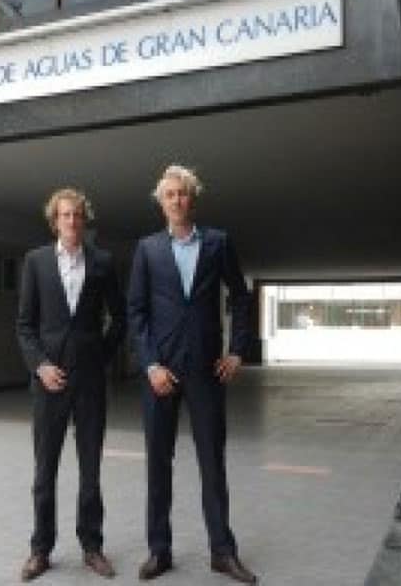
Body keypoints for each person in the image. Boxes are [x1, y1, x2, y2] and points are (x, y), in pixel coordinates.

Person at [127, 165, 258, 583]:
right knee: (157, 465)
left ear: (193, 199)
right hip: (161, 373)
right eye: (170, 194)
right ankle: (159, 551)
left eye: (183, 194)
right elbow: (136, 312)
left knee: (212, 463)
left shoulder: (218, 243)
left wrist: (238, 351)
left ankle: (223, 552)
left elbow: (240, 296)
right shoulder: (147, 249)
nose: (177, 201)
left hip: (205, 370)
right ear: (160, 201)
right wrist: (149, 364)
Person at [16, 188, 127, 582]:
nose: (72, 222)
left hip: (90, 383)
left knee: (91, 471)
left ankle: (92, 546)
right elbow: (25, 326)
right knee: (44, 472)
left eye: (78, 215)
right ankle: (40, 550)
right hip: (49, 383)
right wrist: (41, 366)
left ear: (85, 220)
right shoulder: (37, 262)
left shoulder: (102, 262)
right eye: (65, 216)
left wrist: (101, 356)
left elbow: (120, 318)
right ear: (55, 221)